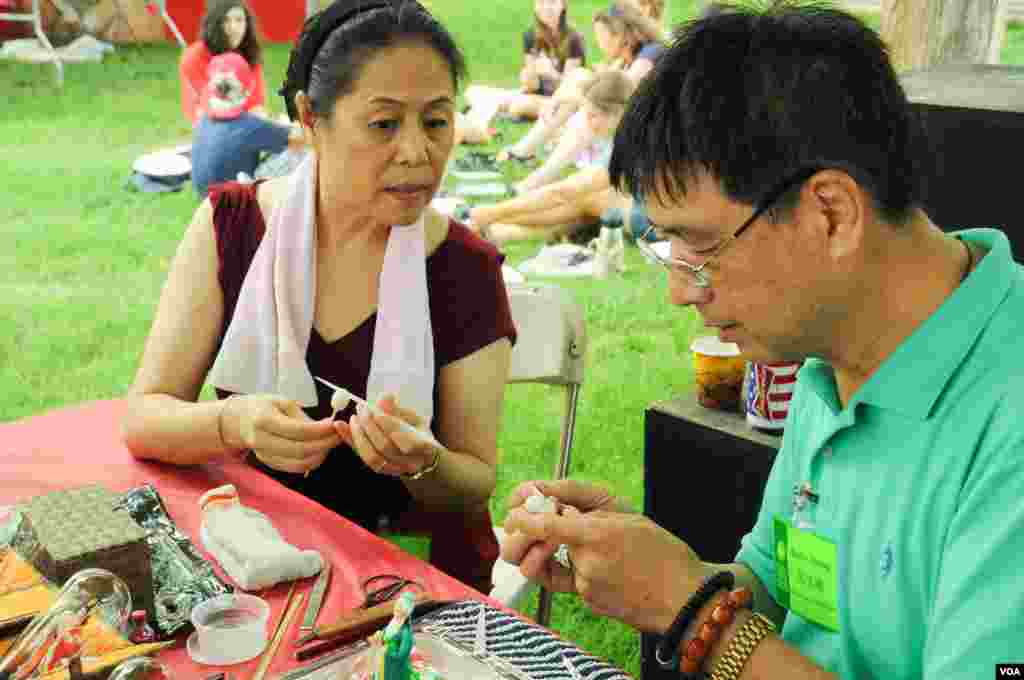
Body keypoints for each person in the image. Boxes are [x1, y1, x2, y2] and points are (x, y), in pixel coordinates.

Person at [500, 4, 1024, 679]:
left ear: (830, 214)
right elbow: (776, 591)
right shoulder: (835, 349)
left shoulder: (1006, 417)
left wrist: (694, 614)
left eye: (701, 247)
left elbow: (726, 626)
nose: (679, 291)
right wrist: (649, 569)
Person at [123, 0, 516, 595]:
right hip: (260, 557)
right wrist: (236, 423)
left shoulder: (465, 267)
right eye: (384, 124)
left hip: (412, 584)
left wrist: (422, 462)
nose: (417, 153)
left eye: (436, 122)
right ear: (311, 116)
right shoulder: (232, 226)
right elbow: (146, 417)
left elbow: (473, 481)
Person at [467, 71, 639, 245]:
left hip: (651, 220)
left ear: (619, 111)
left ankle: (495, 222)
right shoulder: (635, 126)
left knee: (581, 198)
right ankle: (502, 231)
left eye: (593, 115)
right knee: (584, 207)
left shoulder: (630, 139)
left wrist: (495, 211)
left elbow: (562, 192)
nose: (587, 122)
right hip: (646, 213)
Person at [496, 4, 663, 176]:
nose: (600, 43)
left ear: (622, 35)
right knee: (579, 77)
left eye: (602, 36)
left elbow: (617, 96)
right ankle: (526, 152)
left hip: (652, 135)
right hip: (630, 122)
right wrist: (559, 99)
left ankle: (535, 170)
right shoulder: (626, 58)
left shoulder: (649, 55)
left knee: (586, 113)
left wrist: (565, 99)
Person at [459, 0, 586, 139]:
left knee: (519, 105)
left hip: (560, 102)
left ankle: (478, 127)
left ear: (563, 5)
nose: (546, 7)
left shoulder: (574, 38)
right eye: (541, 2)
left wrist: (551, 73)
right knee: (474, 92)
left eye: (552, 2)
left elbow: (569, 88)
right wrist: (528, 77)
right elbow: (532, 86)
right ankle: (476, 126)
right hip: (535, 95)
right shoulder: (531, 35)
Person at [191, 53, 305, 198]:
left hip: (205, 196)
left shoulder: (204, 119)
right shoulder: (248, 126)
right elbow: (302, 139)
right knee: (298, 154)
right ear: (247, 88)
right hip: (234, 203)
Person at [179, 0, 267, 126]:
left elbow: (256, 105)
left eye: (239, 20)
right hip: (208, 124)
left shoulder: (250, 54)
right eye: (226, 20)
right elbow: (207, 106)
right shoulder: (194, 56)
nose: (234, 27)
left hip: (244, 123)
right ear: (214, 24)